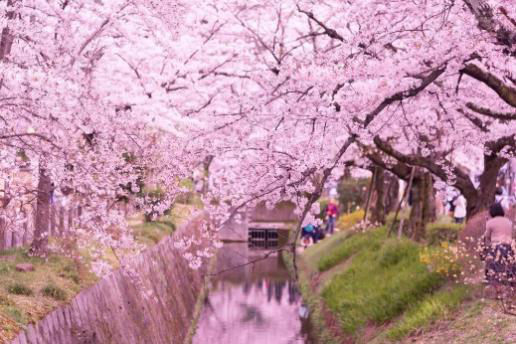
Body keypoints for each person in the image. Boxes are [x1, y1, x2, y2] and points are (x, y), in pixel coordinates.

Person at [482, 203, 515, 288]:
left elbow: (487, 236)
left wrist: (487, 222)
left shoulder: (490, 222)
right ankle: (511, 281)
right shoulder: (508, 221)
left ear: (491, 212)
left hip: (496, 246)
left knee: (490, 262)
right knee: (509, 264)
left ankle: (491, 281)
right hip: (509, 245)